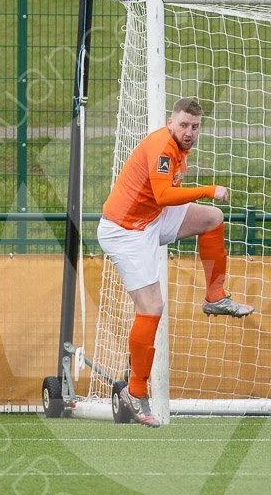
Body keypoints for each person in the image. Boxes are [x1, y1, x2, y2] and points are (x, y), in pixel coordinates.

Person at [98, 97, 254, 428]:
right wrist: (209, 189)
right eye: (183, 125)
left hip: (151, 219)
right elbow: (164, 195)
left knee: (212, 219)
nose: (189, 132)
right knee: (152, 307)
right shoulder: (162, 147)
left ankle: (215, 297)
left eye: (195, 126)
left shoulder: (180, 147)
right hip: (126, 231)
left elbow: (161, 200)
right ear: (170, 123)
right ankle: (135, 392)